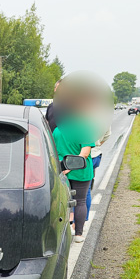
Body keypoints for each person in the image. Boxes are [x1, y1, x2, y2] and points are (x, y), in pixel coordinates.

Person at [52, 98, 96, 243]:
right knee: (80, 201)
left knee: (63, 202)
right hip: (81, 172)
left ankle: (63, 232)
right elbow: (85, 152)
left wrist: (64, 167)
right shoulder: (85, 129)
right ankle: (78, 234)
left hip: (61, 170)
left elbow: (52, 150)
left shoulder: (58, 130)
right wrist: (71, 166)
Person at [86, 126, 111, 215]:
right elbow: (107, 134)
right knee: (87, 188)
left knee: (82, 191)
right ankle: (83, 219)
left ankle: (78, 219)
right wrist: (97, 145)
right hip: (96, 154)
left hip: (85, 156)